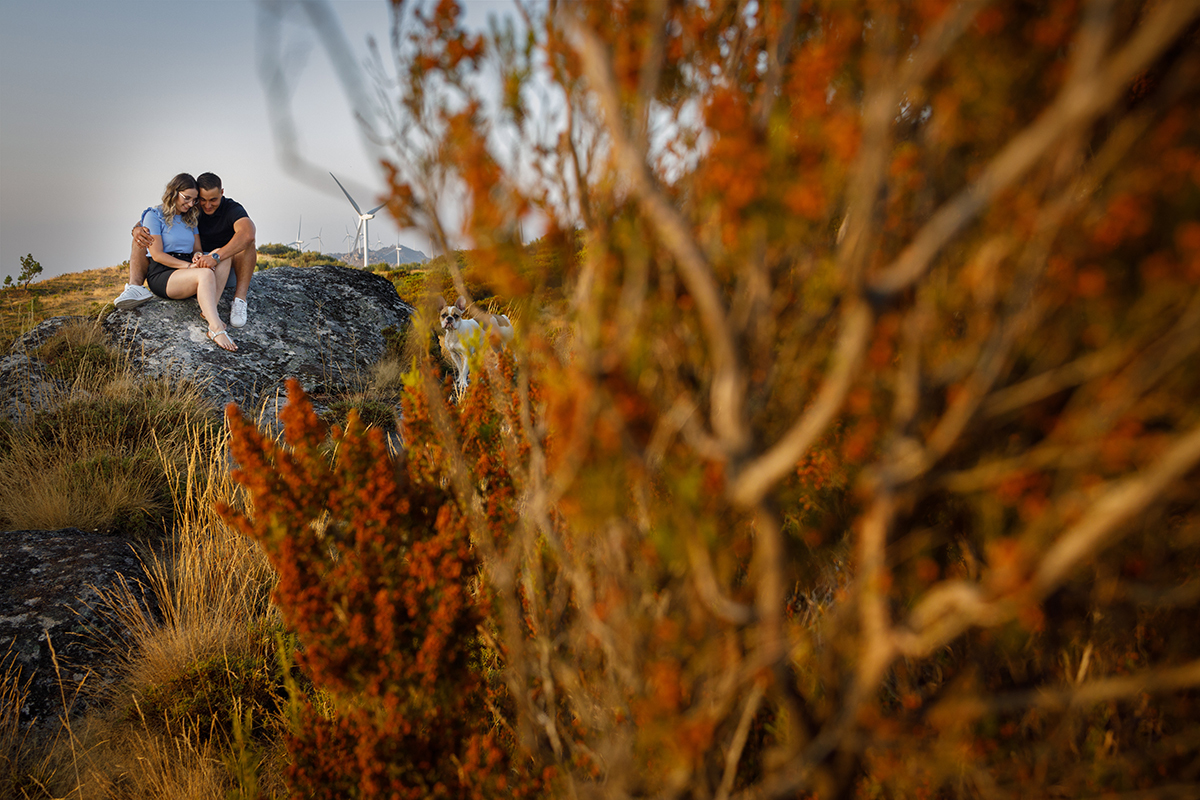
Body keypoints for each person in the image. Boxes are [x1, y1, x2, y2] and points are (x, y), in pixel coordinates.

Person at [114, 172, 257, 328]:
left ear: (222, 193)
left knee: (248, 243)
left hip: (221, 266)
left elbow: (248, 233)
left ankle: (239, 300)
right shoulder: (191, 207)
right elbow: (152, 221)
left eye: (213, 200)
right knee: (143, 236)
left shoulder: (231, 208)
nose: (207, 205)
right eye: (202, 200)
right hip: (191, 266)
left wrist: (215, 256)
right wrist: (136, 230)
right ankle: (135, 287)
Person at [134, 172, 238, 351]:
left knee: (221, 256)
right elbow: (157, 255)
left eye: (194, 200)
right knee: (204, 273)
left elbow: (196, 248)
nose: (190, 204)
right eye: (187, 198)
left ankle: (209, 309)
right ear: (174, 192)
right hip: (163, 273)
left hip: (187, 269)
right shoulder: (154, 215)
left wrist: (197, 256)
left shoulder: (190, 217)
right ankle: (215, 328)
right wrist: (190, 266)